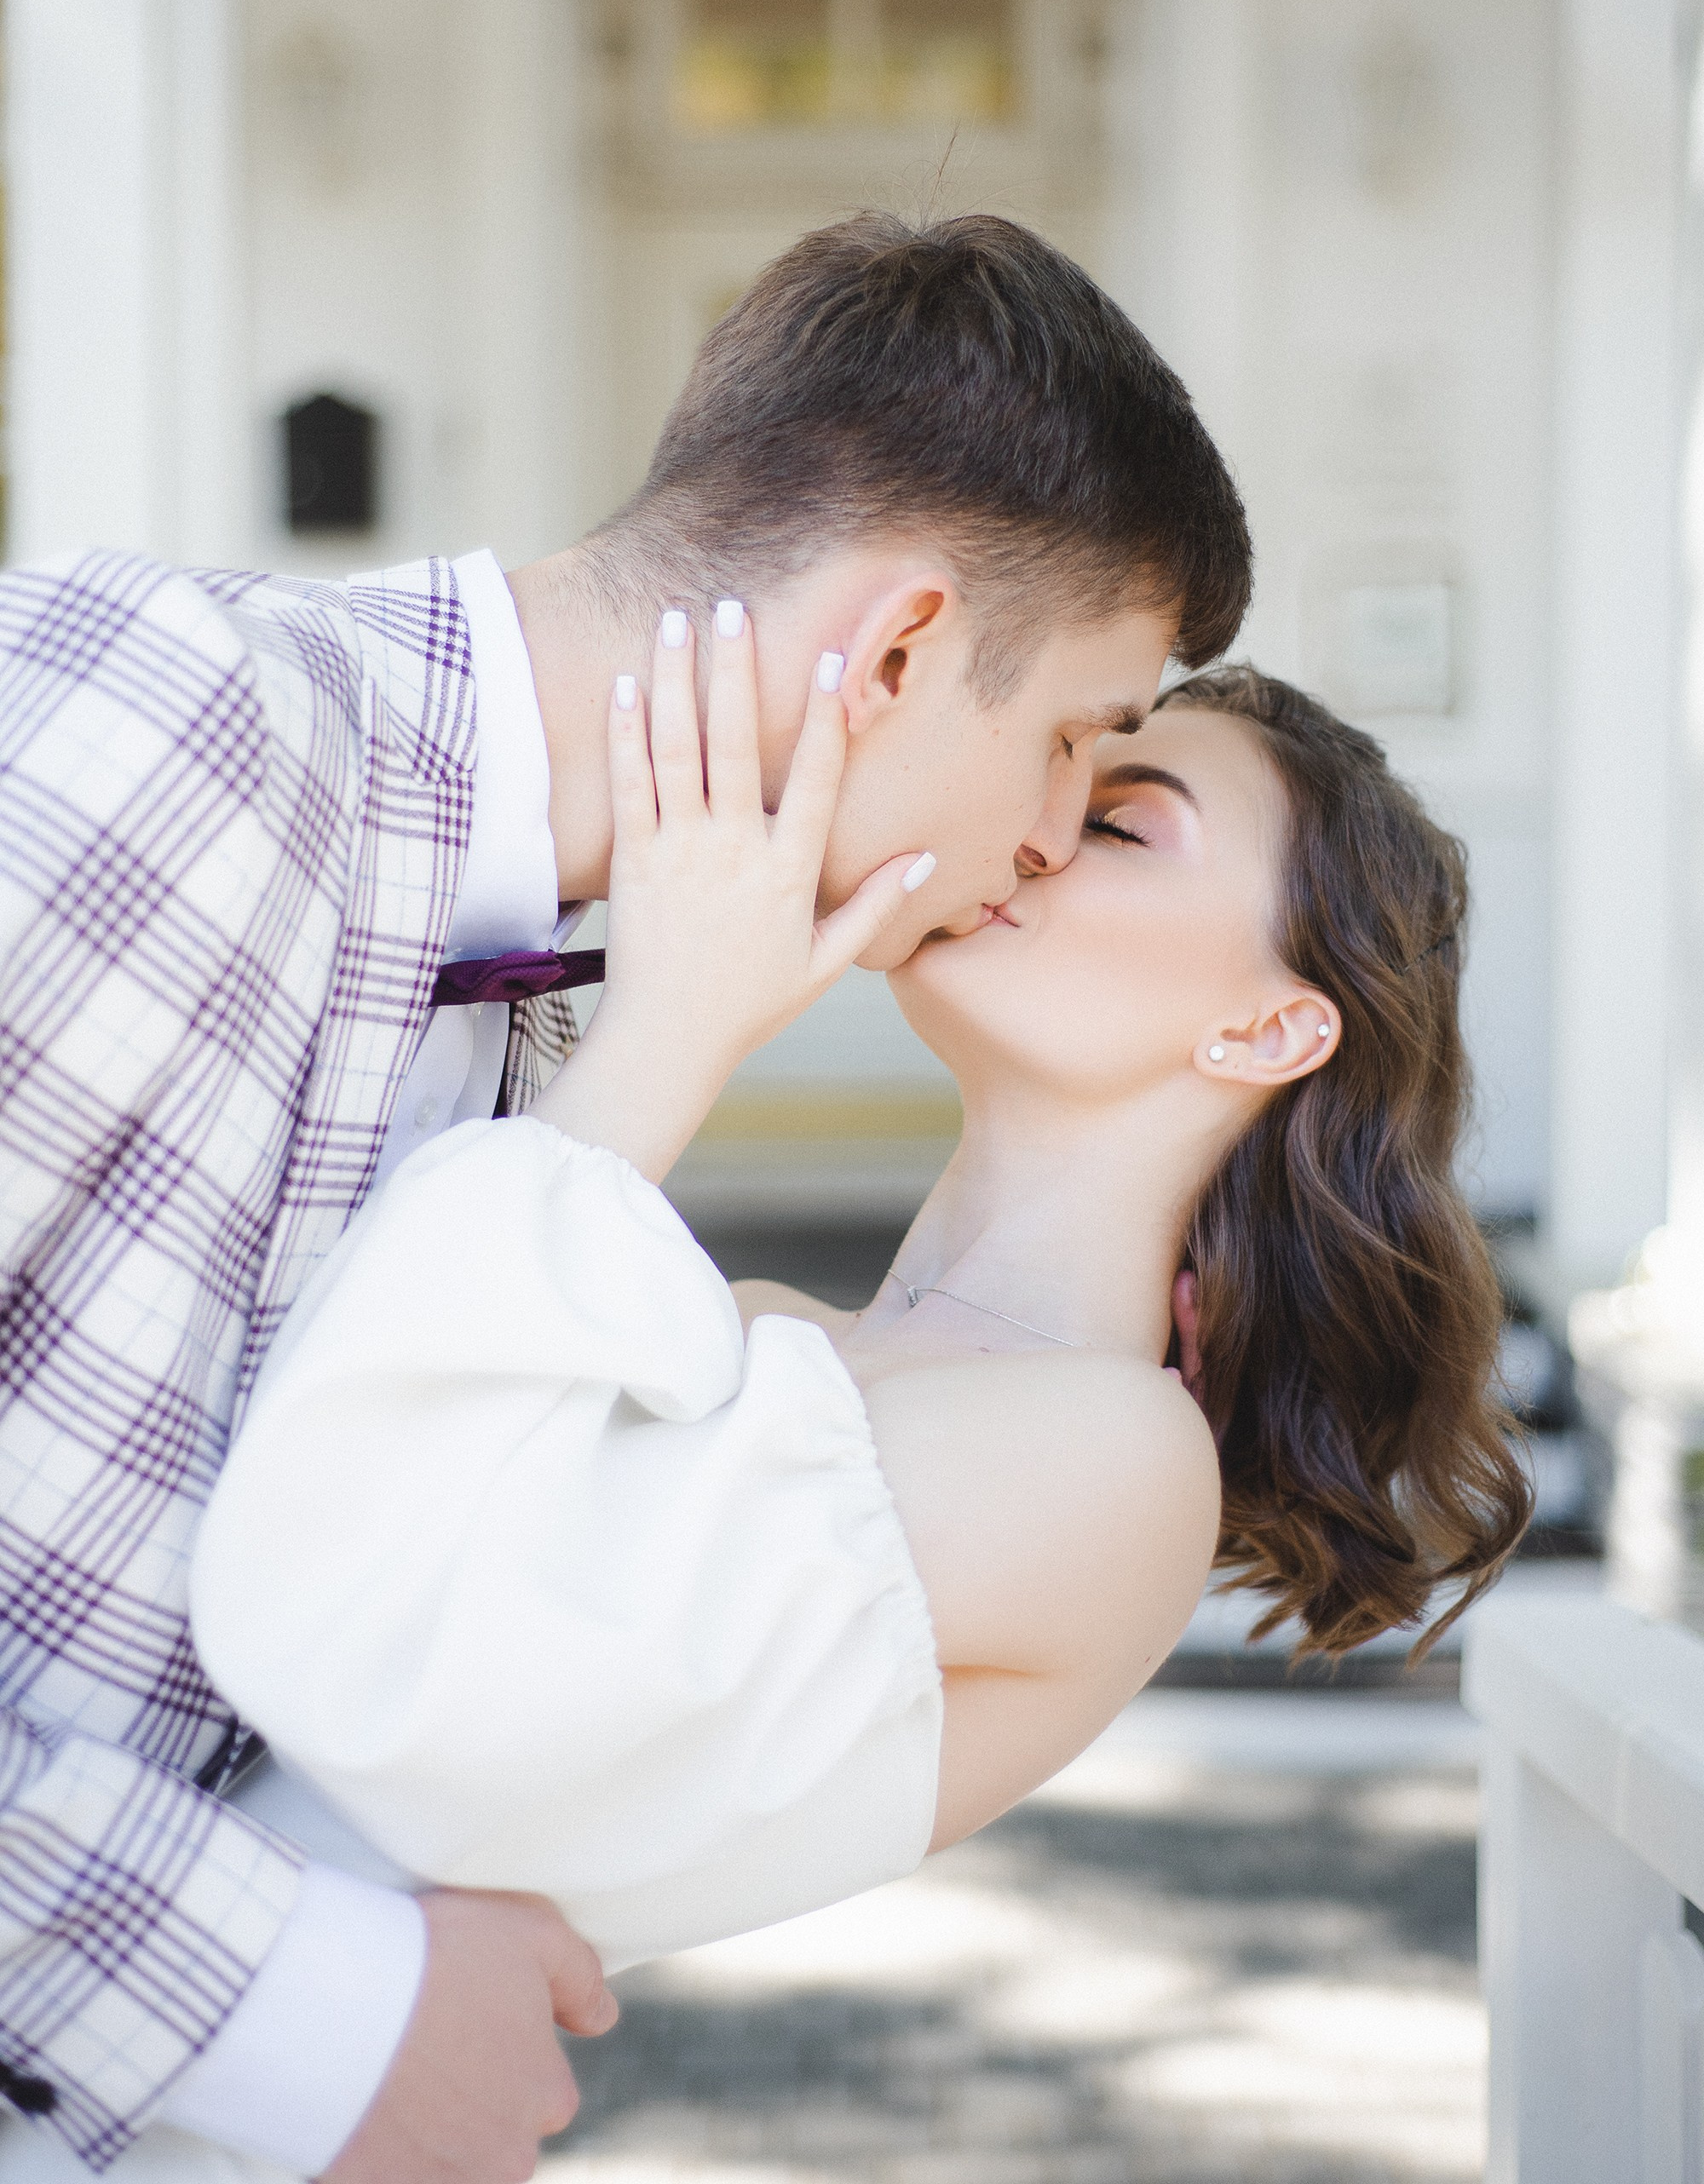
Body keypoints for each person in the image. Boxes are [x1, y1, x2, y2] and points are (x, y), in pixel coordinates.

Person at [0, 213, 1251, 2178]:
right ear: (902, 649)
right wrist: (277, 1999)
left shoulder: (573, 1008)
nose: (1037, 841)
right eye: (1072, 745)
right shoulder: (171, 720)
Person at [124, 637, 1524, 2184]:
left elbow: (399, 1645)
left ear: (1269, 1029)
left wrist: (670, 1038)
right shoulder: (772, 1332)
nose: (1039, 831)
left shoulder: (1120, 1464)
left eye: (1121, 818)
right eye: (1051, 773)